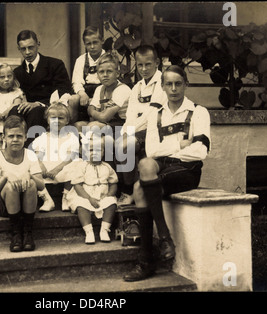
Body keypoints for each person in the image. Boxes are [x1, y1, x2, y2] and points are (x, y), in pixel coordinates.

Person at [123, 65, 211, 282]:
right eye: (169, 84)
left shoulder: (198, 112)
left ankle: (146, 262)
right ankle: (163, 239)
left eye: (178, 83)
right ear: (162, 87)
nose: (173, 89)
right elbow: (152, 151)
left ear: (186, 85)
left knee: (138, 188)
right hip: (162, 166)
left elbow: (200, 152)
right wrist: (181, 145)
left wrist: (172, 149)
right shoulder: (156, 114)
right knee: (145, 164)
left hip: (186, 171)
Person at [115, 45, 167, 205]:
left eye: (148, 64)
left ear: (156, 62)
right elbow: (130, 113)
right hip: (138, 130)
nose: (143, 69)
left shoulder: (162, 83)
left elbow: (151, 115)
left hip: (155, 130)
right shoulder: (137, 87)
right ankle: (122, 189)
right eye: (140, 65)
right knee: (114, 143)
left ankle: (128, 190)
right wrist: (125, 131)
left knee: (124, 145)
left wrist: (129, 133)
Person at [0, 115, 45, 253]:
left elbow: (41, 186)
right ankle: (16, 234)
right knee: (11, 186)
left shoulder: (30, 154)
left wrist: (29, 175)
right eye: (11, 136)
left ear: (25, 137)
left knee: (31, 184)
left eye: (19, 136)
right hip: (3, 203)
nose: (15, 140)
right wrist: (6, 177)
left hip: (26, 201)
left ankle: (28, 233)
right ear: (4, 137)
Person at [10, 30, 72, 139]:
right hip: (27, 107)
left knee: (36, 112)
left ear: (38, 44)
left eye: (31, 47)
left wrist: (38, 103)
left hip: (49, 107)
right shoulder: (17, 72)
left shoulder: (55, 64)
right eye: (23, 49)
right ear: (18, 49)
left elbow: (64, 89)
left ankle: (31, 150)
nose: (28, 52)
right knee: (14, 110)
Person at [65, 132, 118, 244]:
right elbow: (78, 185)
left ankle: (104, 229)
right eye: (90, 150)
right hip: (85, 194)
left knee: (111, 203)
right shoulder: (82, 166)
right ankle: (89, 231)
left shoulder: (107, 167)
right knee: (81, 206)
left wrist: (109, 194)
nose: (95, 153)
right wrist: (89, 198)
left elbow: (113, 183)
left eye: (99, 150)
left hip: (103, 195)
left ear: (104, 152)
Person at [31, 102, 80, 212]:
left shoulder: (71, 137)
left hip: (63, 167)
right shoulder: (42, 138)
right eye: (53, 118)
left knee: (77, 163)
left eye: (61, 118)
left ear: (67, 121)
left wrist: (58, 169)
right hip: (46, 169)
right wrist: (41, 166)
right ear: (48, 120)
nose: (57, 121)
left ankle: (66, 197)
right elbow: (38, 156)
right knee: (32, 166)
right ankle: (47, 199)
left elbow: (70, 157)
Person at [74, 52, 131, 134]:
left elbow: (104, 117)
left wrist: (94, 112)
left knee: (92, 126)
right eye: (101, 72)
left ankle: (97, 145)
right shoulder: (99, 89)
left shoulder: (122, 89)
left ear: (117, 74)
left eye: (109, 71)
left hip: (121, 126)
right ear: (97, 75)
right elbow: (89, 109)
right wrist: (95, 113)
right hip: (106, 124)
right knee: (77, 126)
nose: (105, 75)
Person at [68, 26, 106, 123]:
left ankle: (93, 127)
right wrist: (82, 93)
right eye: (88, 44)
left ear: (102, 41)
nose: (92, 47)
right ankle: (70, 125)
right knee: (73, 99)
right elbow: (76, 82)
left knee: (96, 102)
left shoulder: (108, 58)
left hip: (103, 91)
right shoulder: (81, 60)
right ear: (84, 44)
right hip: (85, 92)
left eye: (95, 42)